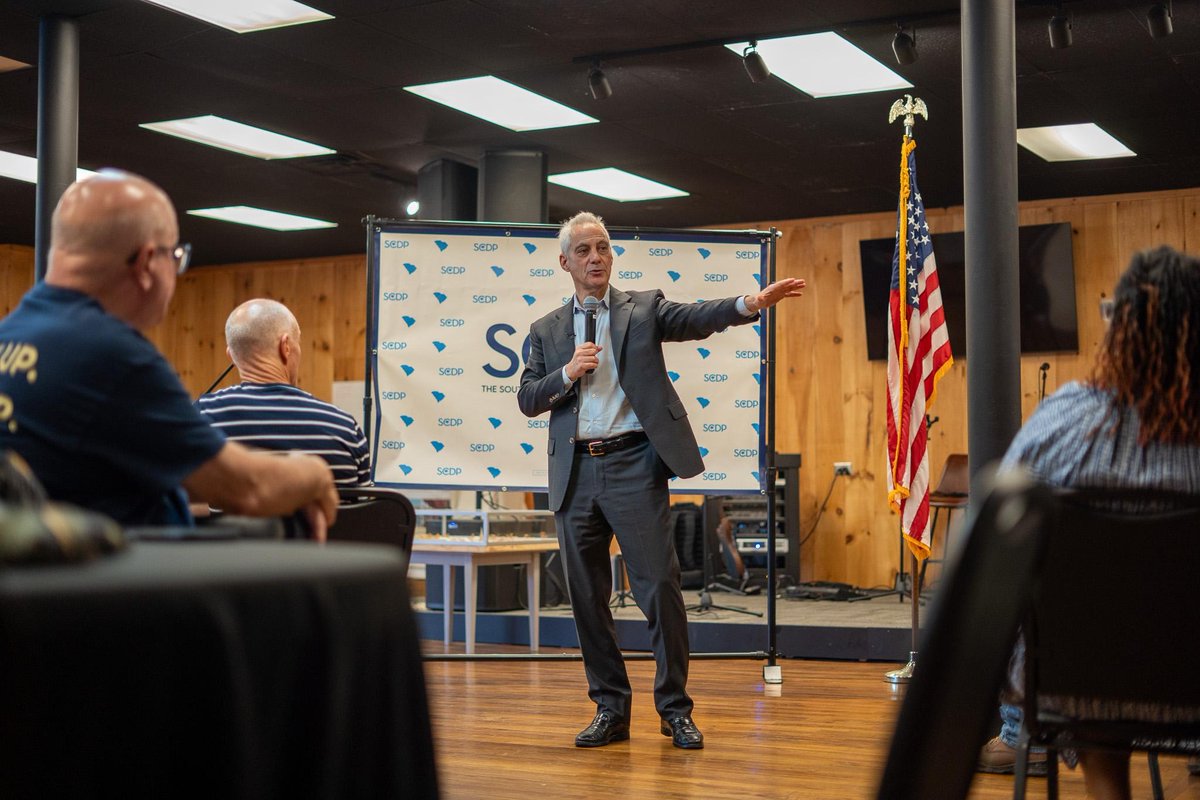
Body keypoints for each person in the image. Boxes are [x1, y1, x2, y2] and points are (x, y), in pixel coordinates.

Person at [517, 211, 805, 749]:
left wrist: (749, 305)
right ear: (565, 263)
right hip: (575, 473)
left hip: (634, 465)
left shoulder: (643, 308)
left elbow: (696, 317)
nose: (596, 257)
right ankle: (610, 710)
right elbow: (529, 398)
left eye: (602, 247)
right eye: (583, 250)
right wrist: (567, 374)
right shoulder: (546, 331)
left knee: (660, 591)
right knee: (587, 598)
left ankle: (674, 709)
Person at [0, 170, 338, 538]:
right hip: (121, 583)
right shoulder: (112, 357)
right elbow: (246, 488)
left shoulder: (10, 335)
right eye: (175, 257)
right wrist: (315, 474)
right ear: (147, 263)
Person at [977, 245, 1200, 799]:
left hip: (1069, 685)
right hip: (1192, 673)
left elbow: (995, 547)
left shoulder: (1061, 419)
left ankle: (1108, 791)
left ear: (1116, 329)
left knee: (1095, 635)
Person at [197, 298, 371, 488]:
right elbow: (367, 512)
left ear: (231, 356)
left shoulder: (197, 421)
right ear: (286, 346)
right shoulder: (345, 429)